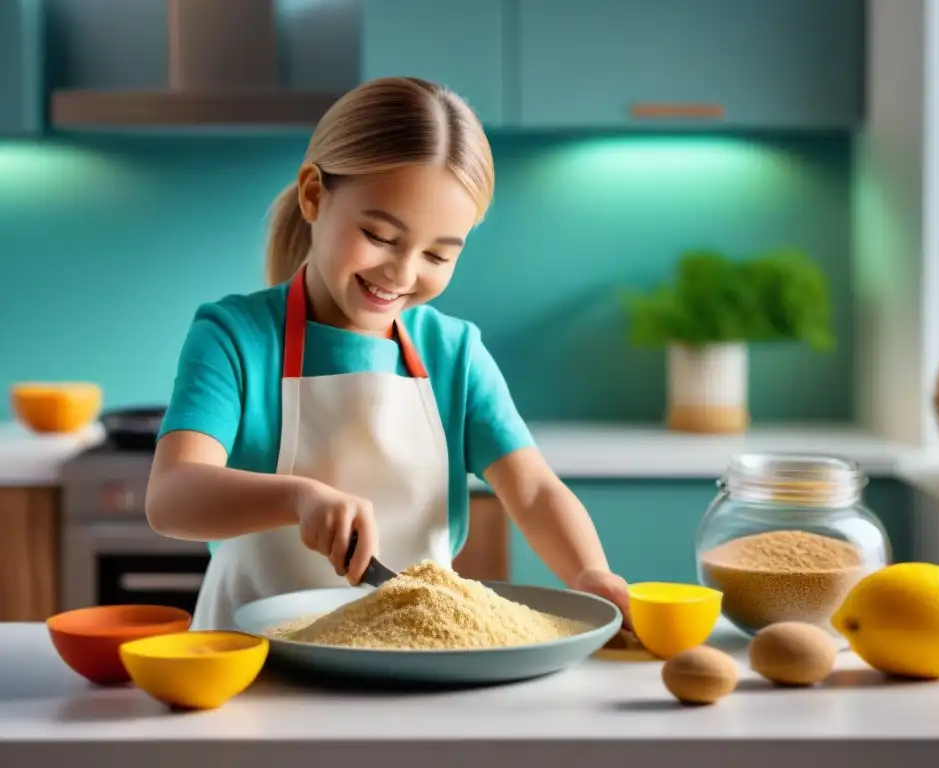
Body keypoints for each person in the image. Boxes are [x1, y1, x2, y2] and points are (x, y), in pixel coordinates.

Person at [145, 76, 631, 632]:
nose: (402, 274)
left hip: (410, 669)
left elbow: (534, 488)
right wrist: (299, 499)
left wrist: (590, 573)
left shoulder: (455, 355)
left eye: (438, 255)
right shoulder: (234, 336)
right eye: (379, 236)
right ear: (313, 196)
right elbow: (172, 496)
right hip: (253, 674)